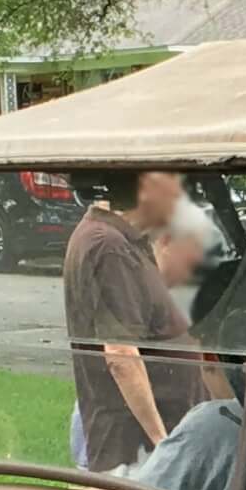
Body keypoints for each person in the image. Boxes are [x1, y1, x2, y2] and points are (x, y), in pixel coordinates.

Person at [62, 172, 213, 472]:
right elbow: (120, 354)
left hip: (155, 446)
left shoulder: (125, 239)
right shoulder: (107, 245)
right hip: (136, 454)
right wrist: (163, 446)